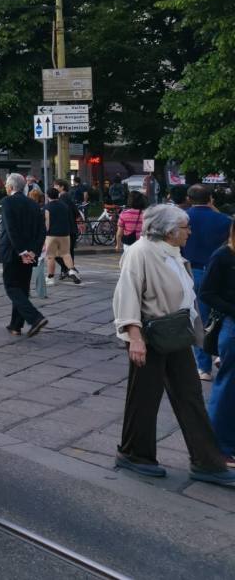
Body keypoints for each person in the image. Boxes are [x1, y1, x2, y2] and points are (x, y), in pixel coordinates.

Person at [111, 205, 235, 487]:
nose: (189, 232)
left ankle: (208, 462)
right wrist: (135, 338)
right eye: (185, 227)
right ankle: (134, 454)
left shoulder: (172, 253)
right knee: (144, 397)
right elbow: (127, 294)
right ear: (169, 231)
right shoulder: (141, 252)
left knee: (190, 396)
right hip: (152, 334)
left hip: (176, 333)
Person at [182, 185, 232, 381]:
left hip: (191, 271)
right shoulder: (224, 220)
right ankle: (220, 353)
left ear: (189, 198)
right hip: (220, 273)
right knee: (223, 315)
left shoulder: (182, 219)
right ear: (211, 198)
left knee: (198, 320)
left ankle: (203, 368)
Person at [200, 222, 235, 464]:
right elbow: (207, 293)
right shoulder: (223, 256)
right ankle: (218, 446)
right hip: (232, 326)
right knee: (228, 384)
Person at [0, 172, 48, 337]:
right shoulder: (33, 204)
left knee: (11, 286)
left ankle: (35, 318)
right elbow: (41, 231)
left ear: (11, 187)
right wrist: (34, 250)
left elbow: (11, 229)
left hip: (13, 252)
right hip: (30, 253)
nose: (5, 186)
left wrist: (22, 251)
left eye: (6, 184)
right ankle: (15, 325)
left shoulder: (7, 202)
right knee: (22, 288)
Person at [44, 185, 82, 284]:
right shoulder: (64, 206)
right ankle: (72, 271)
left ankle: (50, 277)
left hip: (52, 234)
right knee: (66, 254)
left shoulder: (47, 207)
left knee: (50, 256)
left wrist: (44, 235)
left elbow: (47, 224)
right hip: (65, 234)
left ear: (48, 196)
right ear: (58, 195)